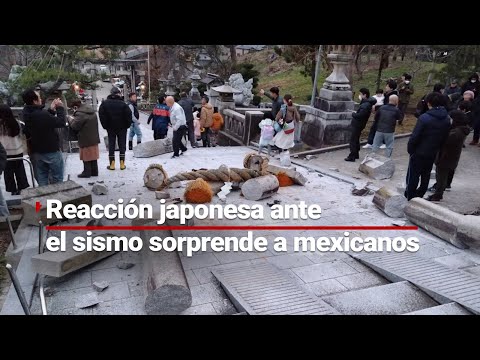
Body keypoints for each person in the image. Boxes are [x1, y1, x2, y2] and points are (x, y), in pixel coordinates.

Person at [405, 92, 451, 200]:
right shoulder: (447, 119)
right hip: (433, 152)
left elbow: (415, 136)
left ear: (429, 103)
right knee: (426, 175)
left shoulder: (424, 118)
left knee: (413, 175)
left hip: (419, 152)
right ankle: (420, 194)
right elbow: (445, 137)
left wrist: (410, 149)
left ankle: (410, 196)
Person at [22, 89, 66, 186]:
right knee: (57, 179)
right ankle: (57, 199)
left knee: (42, 179)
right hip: (51, 150)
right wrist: (60, 108)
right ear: (34, 101)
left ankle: (45, 199)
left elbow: (43, 122)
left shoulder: (26, 113)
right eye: (39, 97)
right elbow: (60, 122)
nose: (41, 99)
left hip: (36, 151)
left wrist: (50, 110)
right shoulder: (40, 114)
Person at [429, 101, 472, 194]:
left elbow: (443, 141)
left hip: (446, 157)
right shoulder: (460, 129)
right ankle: (441, 188)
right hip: (450, 157)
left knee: (441, 175)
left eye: (450, 118)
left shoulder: (456, 133)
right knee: (443, 175)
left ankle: (438, 193)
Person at [99, 87, 132, 170]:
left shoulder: (105, 103)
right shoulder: (123, 104)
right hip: (122, 127)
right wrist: (127, 125)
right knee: (122, 144)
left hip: (110, 127)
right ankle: (122, 163)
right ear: (118, 94)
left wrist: (105, 125)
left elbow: (101, 115)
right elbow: (129, 115)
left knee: (111, 144)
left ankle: (112, 164)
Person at [0, 105, 29, 195]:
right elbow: (24, 132)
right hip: (18, 150)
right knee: (20, 170)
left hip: (6, 152)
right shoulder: (17, 123)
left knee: (8, 172)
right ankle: (22, 187)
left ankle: (12, 189)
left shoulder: (1, 125)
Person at [68, 99, 100, 178]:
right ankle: (94, 171)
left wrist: (70, 119)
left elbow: (75, 126)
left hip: (85, 137)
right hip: (94, 137)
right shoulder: (90, 111)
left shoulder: (80, 114)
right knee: (93, 155)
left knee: (86, 155)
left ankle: (87, 172)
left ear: (75, 107)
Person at [364, 80, 398, 149]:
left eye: (387, 86)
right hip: (381, 113)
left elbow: (389, 106)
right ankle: (370, 142)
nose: (385, 87)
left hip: (387, 115)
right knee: (374, 127)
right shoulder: (386, 94)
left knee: (385, 129)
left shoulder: (393, 96)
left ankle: (384, 143)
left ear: (391, 88)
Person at [345, 88, 376, 162]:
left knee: (353, 140)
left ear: (365, 95)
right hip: (360, 124)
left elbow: (360, 115)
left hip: (357, 124)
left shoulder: (365, 105)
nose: (359, 95)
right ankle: (356, 154)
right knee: (356, 139)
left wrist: (353, 114)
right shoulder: (366, 103)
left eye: (360, 94)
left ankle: (352, 156)